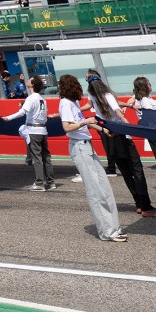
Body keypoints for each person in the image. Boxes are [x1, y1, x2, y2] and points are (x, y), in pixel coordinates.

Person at [55, 76, 125, 242]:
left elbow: (83, 121)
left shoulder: (73, 103)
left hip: (86, 146)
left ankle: (114, 228)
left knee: (104, 188)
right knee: (96, 190)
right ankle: (108, 232)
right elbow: (67, 127)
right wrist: (86, 121)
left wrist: (102, 129)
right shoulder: (65, 103)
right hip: (79, 147)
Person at [88, 75, 156, 217]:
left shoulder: (93, 97)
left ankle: (138, 204)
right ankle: (146, 206)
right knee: (137, 169)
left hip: (107, 136)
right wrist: (124, 120)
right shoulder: (108, 95)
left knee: (125, 172)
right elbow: (116, 109)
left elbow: (94, 112)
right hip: (121, 134)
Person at [10, 74, 54, 189]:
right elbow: (44, 114)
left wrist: (8, 118)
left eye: (30, 80)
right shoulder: (42, 99)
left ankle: (39, 183)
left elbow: (22, 112)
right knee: (46, 157)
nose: (28, 80)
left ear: (32, 84)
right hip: (43, 130)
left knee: (37, 157)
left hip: (33, 130)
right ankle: (51, 182)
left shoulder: (31, 98)